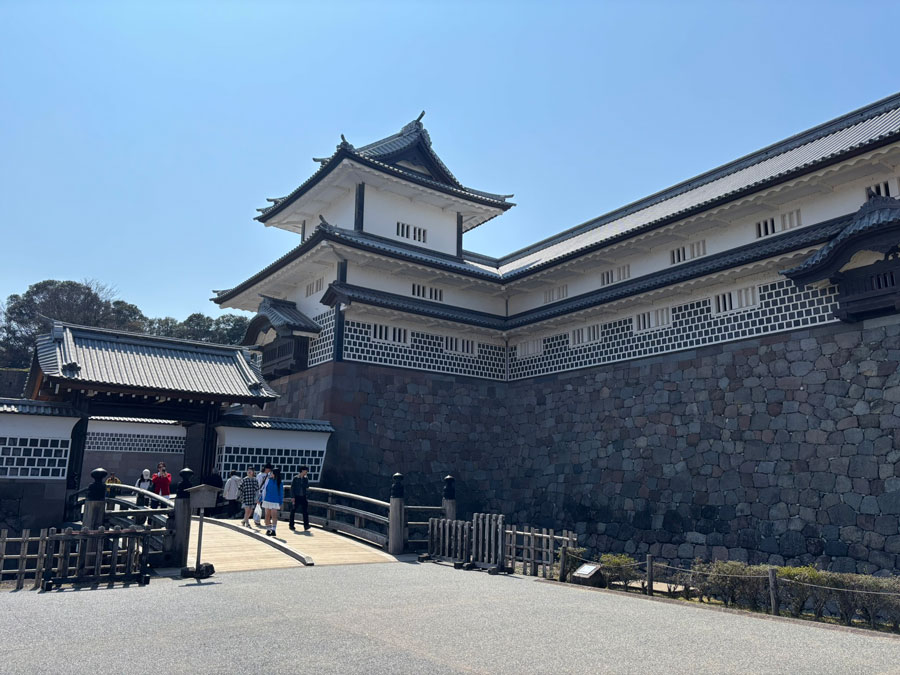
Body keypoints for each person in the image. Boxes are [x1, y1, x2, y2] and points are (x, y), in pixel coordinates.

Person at [262, 467, 284, 536]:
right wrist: (261, 499)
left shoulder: (280, 482)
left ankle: (274, 530)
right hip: (267, 499)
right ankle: (268, 529)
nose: (270, 474)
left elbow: (281, 493)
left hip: (275, 501)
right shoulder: (268, 480)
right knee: (267, 515)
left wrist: (281, 502)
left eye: (272, 473)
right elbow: (264, 490)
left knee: (274, 515)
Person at [289, 466, 310, 532]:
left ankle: (306, 525)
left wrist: (303, 481)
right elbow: (292, 488)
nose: (306, 472)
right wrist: (292, 497)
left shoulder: (305, 478)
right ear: (302, 471)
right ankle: (291, 525)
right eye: (306, 471)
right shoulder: (295, 478)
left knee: (305, 511)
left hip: (303, 496)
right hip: (296, 496)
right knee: (293, 510)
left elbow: (307, 486)